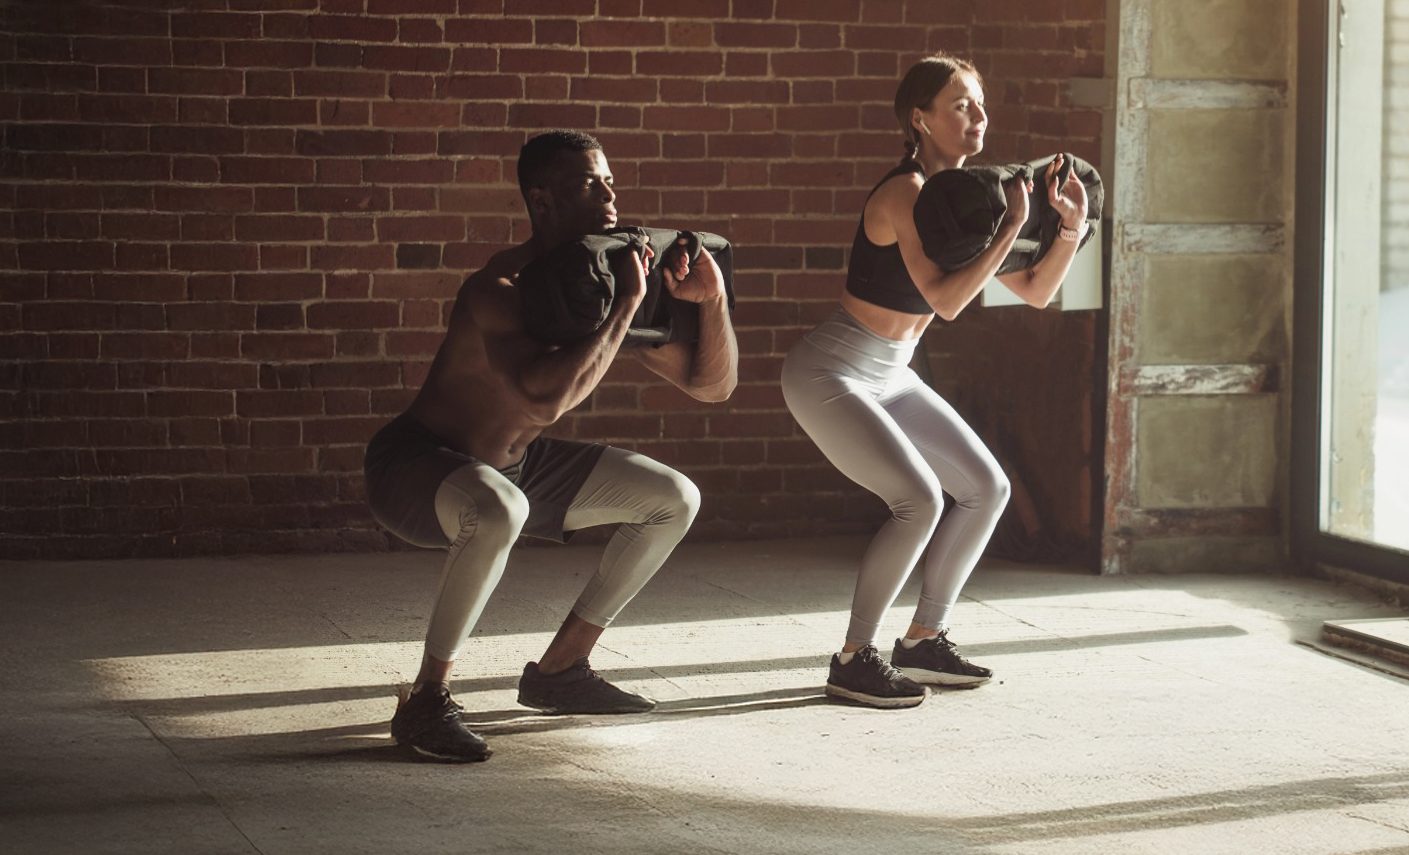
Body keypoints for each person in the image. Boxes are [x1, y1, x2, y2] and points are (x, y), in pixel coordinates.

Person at [365, 130, 737, 761]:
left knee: (673, 497)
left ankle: (562, 671)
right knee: (499, 507)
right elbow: (543, 400)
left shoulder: (598, 281)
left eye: (610, 179)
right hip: (419, 468)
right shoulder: (498, 287)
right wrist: (627, 304)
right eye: (590, 183)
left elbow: (711, 386)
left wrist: (712, 301)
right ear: (542, 202)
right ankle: (427, 702)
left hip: (517, 466)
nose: (611, 193)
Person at [780, 56, 1091, 708]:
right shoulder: (906, 193)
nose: (976, 117)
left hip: (891, 374)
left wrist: (1069, 226)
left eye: (979, 104)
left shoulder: (965, 198)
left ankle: (923, 638)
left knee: (984, 486)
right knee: (918, 499)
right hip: (831, 371)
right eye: (959, 105)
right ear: (918, 119)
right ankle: (853, 657)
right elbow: (946, 300)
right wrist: (1011, 223)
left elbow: (1034, 291)